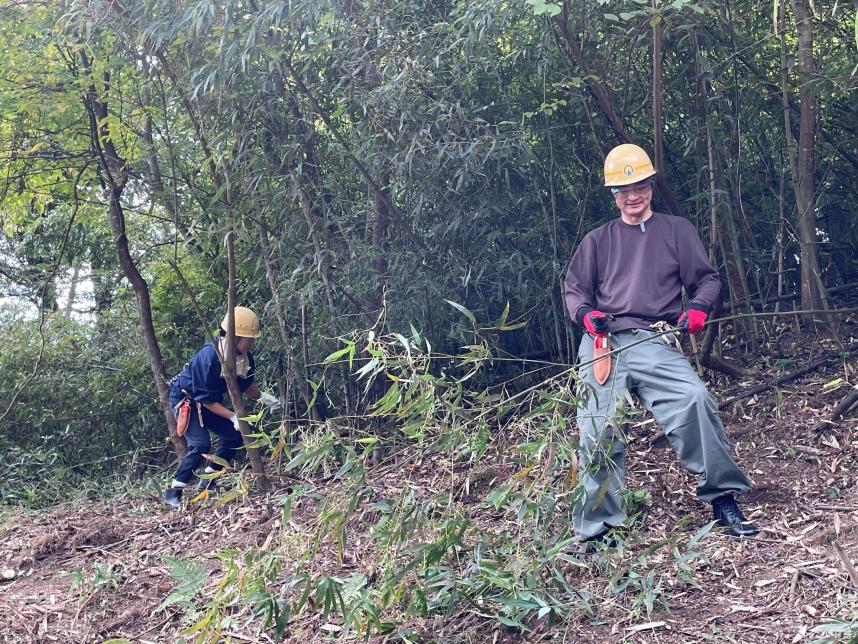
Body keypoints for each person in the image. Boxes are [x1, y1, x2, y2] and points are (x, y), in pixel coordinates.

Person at [562, 143, 758, 543]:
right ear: (612, 194)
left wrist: (699, 308)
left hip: (654, 337)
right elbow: (574, 291)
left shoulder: (675, 230)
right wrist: (588, 317)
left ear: (651, 185)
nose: (632, 196)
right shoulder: (597, 240)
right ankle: (599, 527)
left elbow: (707, 279)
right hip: (604, 343)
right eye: (623, 189)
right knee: (598, 427)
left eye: (640, 186)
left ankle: (722, 497)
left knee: (695, 400)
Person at [164, 306, 278, 508]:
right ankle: (174, 490)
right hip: (188, 400)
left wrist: (264, 397)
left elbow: (245, 384)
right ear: (235, 337)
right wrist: (233, 417)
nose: (251, 344)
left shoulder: (244, 358)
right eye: (249, 340)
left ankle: (208, 480)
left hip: (210, 402)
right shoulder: (210, 357)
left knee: (234, 437)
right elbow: (204, 398)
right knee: (200, 445)